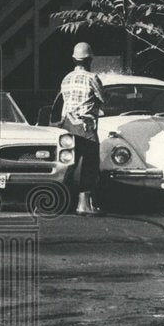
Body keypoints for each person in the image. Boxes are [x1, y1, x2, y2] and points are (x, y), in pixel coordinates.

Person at [59, 42, 106, 215]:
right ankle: (84, 205)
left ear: (74, 59)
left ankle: (64, 202)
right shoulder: (92, 78)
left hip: (68, 124)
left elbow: (64, 103)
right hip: (85, 125)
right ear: (89, 59)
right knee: (90, 163)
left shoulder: (66, 78)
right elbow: (103, 97)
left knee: (69, 162)